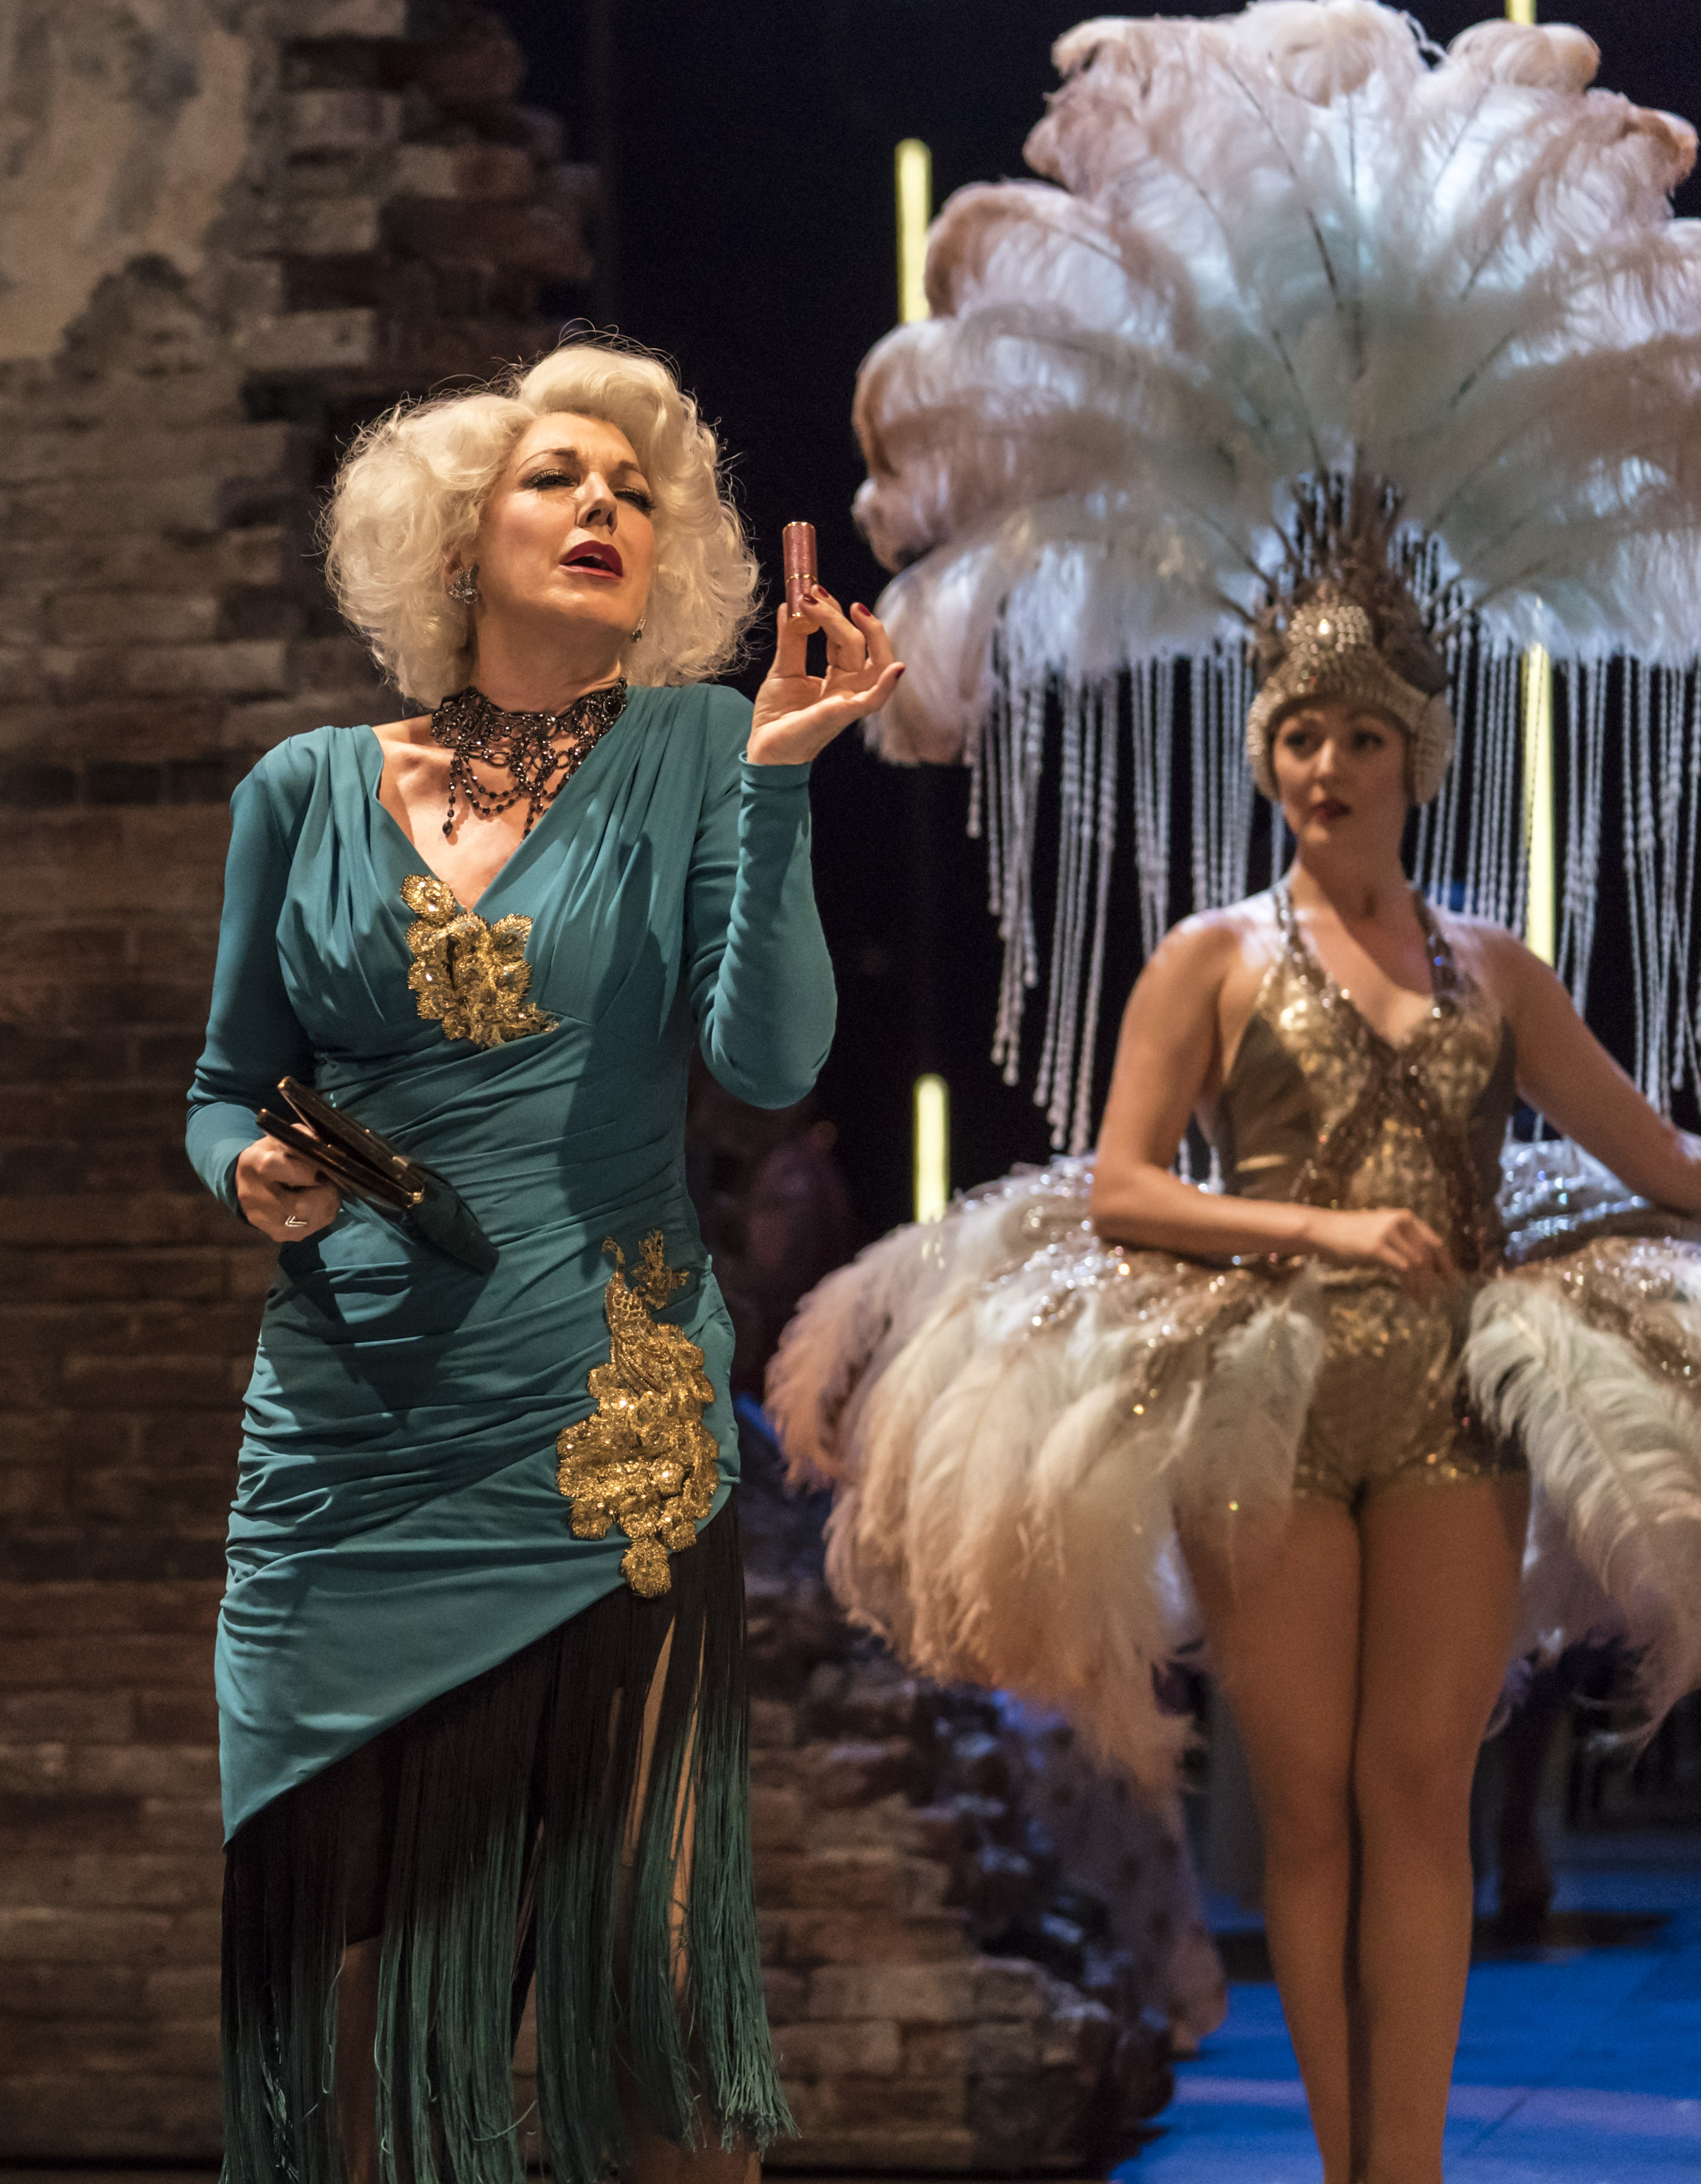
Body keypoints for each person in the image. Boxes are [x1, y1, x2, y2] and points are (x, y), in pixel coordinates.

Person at [768, 13, 1701, 2184]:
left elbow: (1656, 1155)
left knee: (1420, 1797)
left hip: (1452, 1395)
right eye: (1297, 738)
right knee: (1310, 1814)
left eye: (1358, 738)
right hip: (1263, 1393)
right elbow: (1120, 1186)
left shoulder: (1494, 968)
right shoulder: (1209, 959)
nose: (1324, 766)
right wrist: (1318, 1229)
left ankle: (1408, 2168)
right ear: (1267, 753)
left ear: (1416, 757)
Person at [187, 336, 901, 2184]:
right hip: (350, 1447)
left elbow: (769, 1063)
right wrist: (249, 1166)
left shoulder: (693, 754)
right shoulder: (302, 790)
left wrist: (782, 776)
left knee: (651, 1996)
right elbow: (220, 1086)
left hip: (602, 1429)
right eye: (558, 477)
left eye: (637, 493)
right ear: (458, 539)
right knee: (351, 2025)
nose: (604, 506)